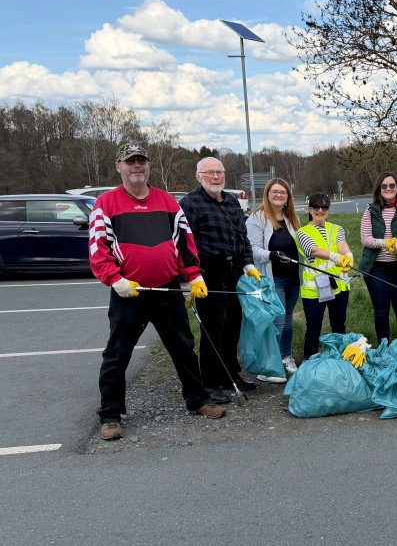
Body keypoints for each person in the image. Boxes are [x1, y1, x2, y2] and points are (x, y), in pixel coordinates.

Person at [89, 143, 225, 441]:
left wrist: (194, 276)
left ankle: (198, 400)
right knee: (116, 355)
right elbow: (98, 248)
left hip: (168, 290)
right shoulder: (106, 203)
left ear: (148, 166)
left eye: (141, 161)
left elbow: (185, 242)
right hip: (129, 294)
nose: (137, 166)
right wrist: (114, 279)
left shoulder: (167, 201)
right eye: (130, 162)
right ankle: (110, 415)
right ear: (119, 167)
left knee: (184, 349)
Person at [180, 158, 261, 400]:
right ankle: (210, 382)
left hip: (233, 270)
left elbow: (243, 237)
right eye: (210, 173)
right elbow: (184, 243)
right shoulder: (190, 204)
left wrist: (248, 265)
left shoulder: (232, 201)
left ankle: (230, 374)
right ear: (199, 176)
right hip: (208, 272)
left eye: (219, 172)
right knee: (213, 327)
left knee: (233, 324)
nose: (216, 177)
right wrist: (190, 278)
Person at [246, 178, 301, 379]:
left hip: (292, 278)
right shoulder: (257, 218)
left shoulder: (291, 219)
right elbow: (252, 249)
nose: (278, 195)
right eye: (274, 191)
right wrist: (271, 254)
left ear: (288, 197)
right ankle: (270, 364)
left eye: (282, 192)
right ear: (267, 194)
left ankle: (285, 356)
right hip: (272, 277)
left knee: (287, 319)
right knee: (277, 321)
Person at [359, 172, 397, 344]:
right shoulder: (370, 210)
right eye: (384, 186)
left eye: (392, 185)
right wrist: (384, 243)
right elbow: (365, 239)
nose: (388, 189)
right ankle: (384, 347)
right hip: (376, 268)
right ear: (379, 189)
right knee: (381, 310)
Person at [296, 193, 353, 359]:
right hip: (314, 289)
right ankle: (310, 362)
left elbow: (341, 244)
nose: (320, 210)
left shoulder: (337, 229)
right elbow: (313, 250)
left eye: (324, 207)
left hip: (338, 287)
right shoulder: (302, 232)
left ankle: (340, 360)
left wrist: (348, 254)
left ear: (329, 209)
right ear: (309, 209)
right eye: (316, 207)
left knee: (339, 326)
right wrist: (334, 257)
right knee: (313, 328)